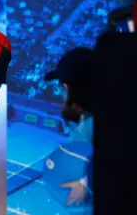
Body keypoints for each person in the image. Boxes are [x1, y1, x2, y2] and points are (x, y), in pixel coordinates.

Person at [44, 47, 95, 206]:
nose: (60, 92)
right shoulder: (86, 118)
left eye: (62, 86)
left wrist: (86, 183)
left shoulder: (93, 124)